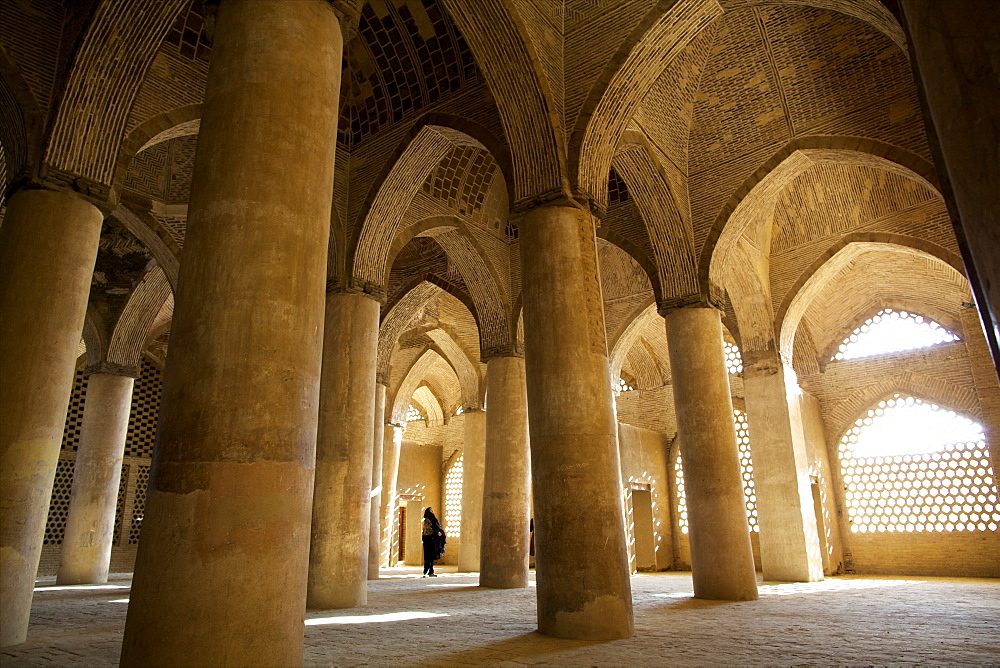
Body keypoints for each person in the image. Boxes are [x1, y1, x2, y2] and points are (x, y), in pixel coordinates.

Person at [421, 507, 446, 577]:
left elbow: (437, 528)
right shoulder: (426, 520)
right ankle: (426, 571)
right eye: (431, 510)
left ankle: (431, 571)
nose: (432, 512)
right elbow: (427, 531)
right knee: (428, 556)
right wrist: (436, 533)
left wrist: (440, 532)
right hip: (428, 540)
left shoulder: (434, 519)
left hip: (433, 540)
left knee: (431, 557)